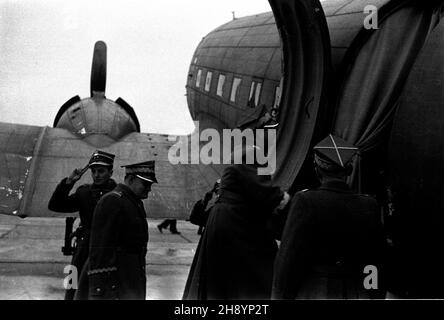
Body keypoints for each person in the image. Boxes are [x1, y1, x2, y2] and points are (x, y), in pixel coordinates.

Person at [272, 134, 387, 299]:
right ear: (349, 170)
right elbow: (375, 262)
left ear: (317, 169)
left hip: (314, 290)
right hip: (355, 291)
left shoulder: (305, 201)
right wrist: (374, 295)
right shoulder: (369, 205)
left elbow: (288, 262)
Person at [183, 145, 290, 300]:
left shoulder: (227, 180)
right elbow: (271, 195)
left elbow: (197, 216)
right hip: (234, 230)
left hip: (221, 229)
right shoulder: (241, 170)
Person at [74, 160, 157, 300]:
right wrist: (99, 292)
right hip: (117, 281)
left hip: (130, 275)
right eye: (145, 184)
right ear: (131, 179)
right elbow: (100, 250)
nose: (149, 189)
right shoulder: (113, 201)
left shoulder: (132, 201)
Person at [48, 150, 116, 300]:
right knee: (72, 286)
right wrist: (69, 181)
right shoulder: (84, 193)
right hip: (83, 249)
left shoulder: (117, 194)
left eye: (101, 171)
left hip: (107, 250)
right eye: (94, 171)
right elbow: (55, 205)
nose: (96, 175)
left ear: (110, 172)